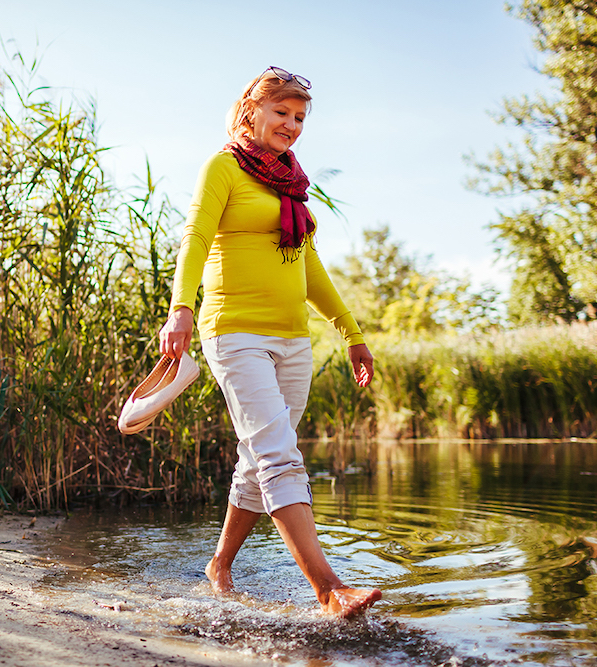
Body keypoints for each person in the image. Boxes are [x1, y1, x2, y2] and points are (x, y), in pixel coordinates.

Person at [158, 66, 382, 619]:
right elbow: (195, 239)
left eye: (300, 117)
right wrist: (180, 307)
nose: (291, 124)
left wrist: (351, 333)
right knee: (280, 455)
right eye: (281, 112)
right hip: (234, 331)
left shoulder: (291, 181)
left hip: (292, 341)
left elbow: (308, 263)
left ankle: (218, 565)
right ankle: (329, 589)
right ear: (252, 110)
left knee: (258, 462)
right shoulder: (224, 168)